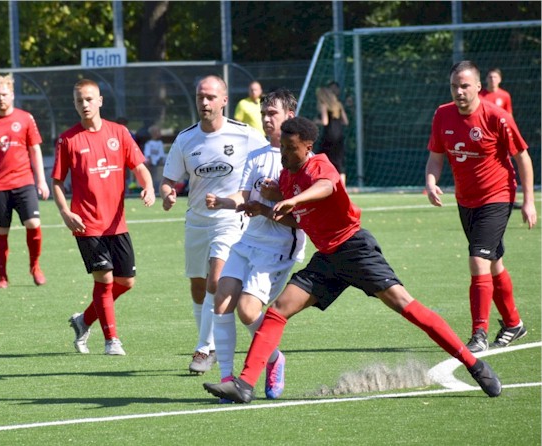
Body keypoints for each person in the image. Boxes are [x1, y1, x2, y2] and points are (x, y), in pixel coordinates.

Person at [203, 116, 503, 403]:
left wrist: (293, 199)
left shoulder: (319, 165)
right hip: (328, 259)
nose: (283, 153)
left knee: (405, 305)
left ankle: (474, 364)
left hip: (355, 249)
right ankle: (244, 385)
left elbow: (327, 187)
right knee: (277, 311)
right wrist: (269, 208)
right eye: (282, 146)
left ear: (307, 147)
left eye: (290, 148)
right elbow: (300, 220)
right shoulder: (286, 177)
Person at [425, 60, 535, 353]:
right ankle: (513, 324)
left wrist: (528, 201)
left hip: (498, 196)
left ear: (477, 87)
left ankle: (479, 334)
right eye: (454, 86)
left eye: (464, 86)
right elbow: (436, 156)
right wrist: (431, 181)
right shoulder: (442, 115)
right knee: (494, 262)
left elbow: (522, 157)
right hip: (466, 199)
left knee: (478, 260)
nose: (459, 92)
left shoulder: (496, 117)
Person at [161, 75, 269, 374]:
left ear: (224, 100)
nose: (205, 102)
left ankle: (204, 348)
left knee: (215, 280)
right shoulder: (186, 138)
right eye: (200, 97)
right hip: (196, 221)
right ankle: (208, 343)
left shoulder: (244, 135)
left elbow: (269, 156)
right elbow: (170, 179)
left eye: (210, 97)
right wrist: (168, 193)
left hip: (230, 219)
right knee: (197, 284)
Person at [204, 89, 306, 401]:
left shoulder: (302, 160)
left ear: (289, 116)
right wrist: (223, 201)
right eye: (263, 114)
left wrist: (269, 206)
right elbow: (244, 197)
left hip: (276, 249)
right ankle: (226, 378)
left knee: (248, 311)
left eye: (272, 113)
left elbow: (301, 218)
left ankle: (274, 359)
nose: (265, 119)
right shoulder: (256, 155)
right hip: (248, 240)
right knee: (222, 298)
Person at [54, 79, 155, 356]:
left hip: (116, 223)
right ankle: (112, 341)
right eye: (79, 101)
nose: (84, 105)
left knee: (126, 282)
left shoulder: (119, 133)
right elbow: (57, 182)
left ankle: (84, 320)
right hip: (87, 223)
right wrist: (65, 212)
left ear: (100, 101)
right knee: (105, 279)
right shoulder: (68, 139)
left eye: (88, 99)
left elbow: (139, 166)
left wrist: (148, 186)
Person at [0, 74, 50, 289]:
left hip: (24, 181)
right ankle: (2, 277)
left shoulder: (25, 118)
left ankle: (35, 267)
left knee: (33, 224)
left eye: (5, 94)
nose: (1, 99)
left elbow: (35, 149)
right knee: (1, 232)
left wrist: (41, 181)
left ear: (12, 95)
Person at [314, 86, 349, 186]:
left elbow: (325, 122)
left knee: (320, 157)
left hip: (329, 135)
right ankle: (343, 187)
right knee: (339, 160)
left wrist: (316, 121)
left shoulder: (324, 105)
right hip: (339, 135)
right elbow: (345, 121)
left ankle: (320, 182)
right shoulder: (338, 105)